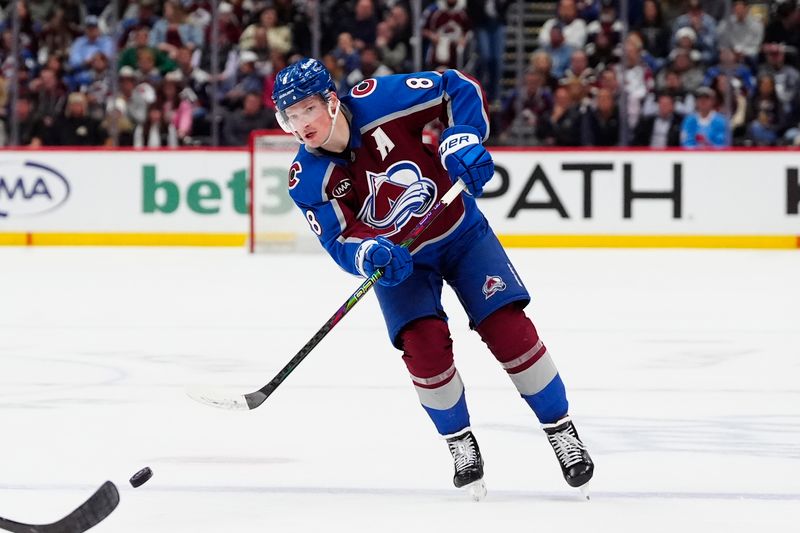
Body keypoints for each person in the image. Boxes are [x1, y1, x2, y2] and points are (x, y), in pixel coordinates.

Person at [270, 57, 594, 499]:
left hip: (461, 234)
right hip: (402, 264)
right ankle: (460, 443)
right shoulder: (306, 178)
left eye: (306, 109)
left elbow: (454, 87)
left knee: (509, 330)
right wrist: (368, 253)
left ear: (330, 101)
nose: (299, 123)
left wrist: (462, 138)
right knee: (424, 351)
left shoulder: (381, 99)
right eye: (289, 115)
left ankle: (561, 429)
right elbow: (338, 239)